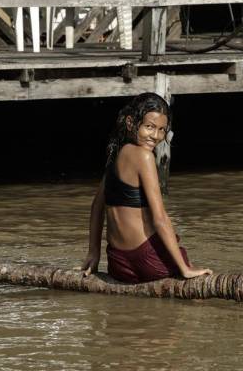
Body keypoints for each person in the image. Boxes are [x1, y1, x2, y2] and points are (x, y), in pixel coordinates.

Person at [80, 93, 212, 283]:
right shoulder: (144, 157)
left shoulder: (115, 153)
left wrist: (94, 253)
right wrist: (185, 268)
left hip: (118, 263)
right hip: (147, 260)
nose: (156, 136)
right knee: (178, 252)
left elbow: (96, 207)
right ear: (131, 123)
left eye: (161, 130)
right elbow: (160, 219)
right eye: (149, 127)